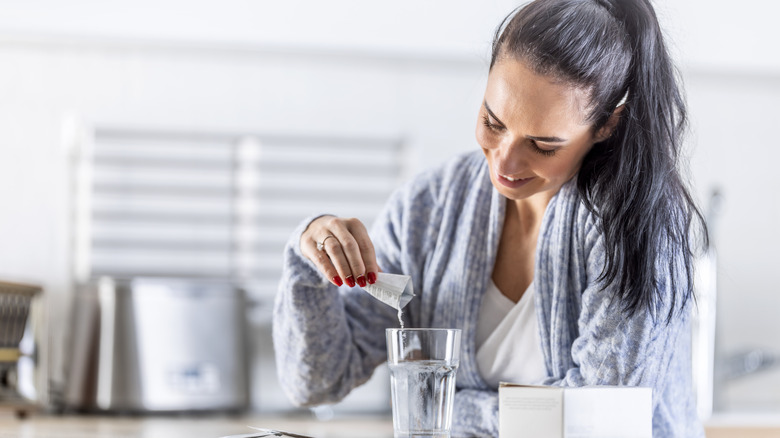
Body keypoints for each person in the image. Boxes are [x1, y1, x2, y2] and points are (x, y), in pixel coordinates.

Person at [272, 0, 707, 436]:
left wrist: (451, 409)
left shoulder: (636, 226)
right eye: (492, 122)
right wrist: (308, 256)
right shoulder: (429, 208)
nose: (505, 161)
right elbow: (318, 381)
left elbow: (596, 420)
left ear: (607, 125)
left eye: (543, 145)